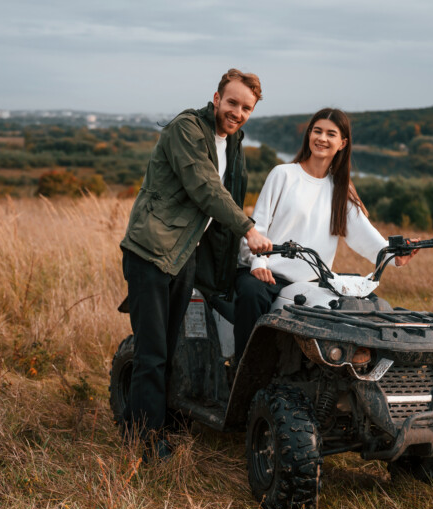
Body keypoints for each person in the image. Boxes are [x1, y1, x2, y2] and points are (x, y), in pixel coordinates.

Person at [120, 68, 272, 460]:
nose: (237, 112)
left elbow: (230, 193)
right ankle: (145, 441)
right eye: (232, 102)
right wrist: (248, 228)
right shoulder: (187, 129)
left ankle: (159, 420)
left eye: (246, 108)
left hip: (185, 254)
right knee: (151, 352)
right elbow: (205, 187)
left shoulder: (232, 142)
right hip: (152, 251)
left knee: (172, 349)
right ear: (217, 97)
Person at [233, 108, 417, 363]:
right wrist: (258, 263)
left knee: (355, 311)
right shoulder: (283, 174)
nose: (322, 138)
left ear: (342, 143)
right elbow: (258, 226)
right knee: (251, 295)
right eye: (317, 131)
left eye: (331, 134)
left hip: (311, 283)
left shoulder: (341, 190)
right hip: (265, 275)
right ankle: (244, 370)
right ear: (309, 135)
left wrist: (394, 255)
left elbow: (365, 235)